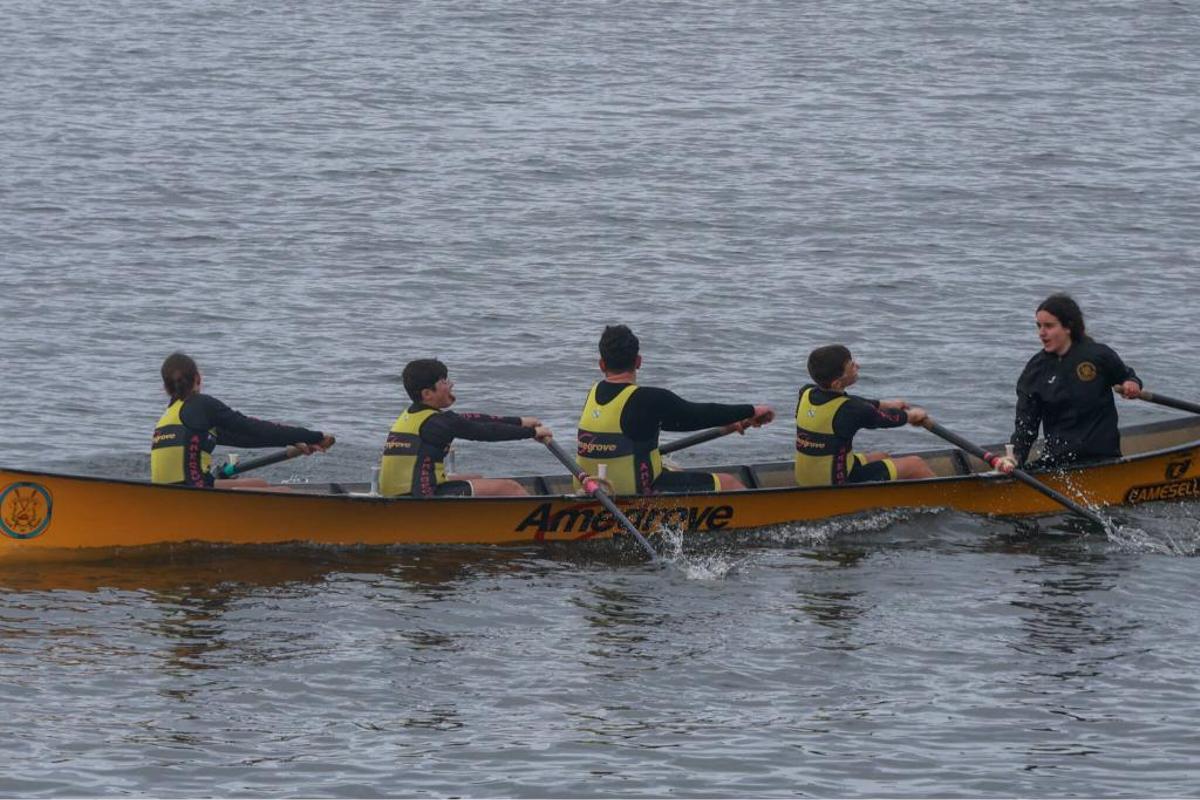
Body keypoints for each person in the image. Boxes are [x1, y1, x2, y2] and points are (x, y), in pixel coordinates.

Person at [576, 325, 774, 495]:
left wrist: (732, 423)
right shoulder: (650, 399)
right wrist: (751, 410)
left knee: (671, 468)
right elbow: (697, 415)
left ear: (601, 364)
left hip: (589, 488)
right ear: (638, 361)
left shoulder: (592, 393)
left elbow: (667, 422)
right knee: (729, 483)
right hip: (637, 491)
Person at [996, 294, 1142, 473]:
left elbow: (1126, 376)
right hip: (1058, 462)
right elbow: (1026, 426)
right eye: (1039, 326)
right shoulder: (1035, 370)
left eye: (1049, 326)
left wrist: (1131, 383)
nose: (1041, 333)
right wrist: (1015, 458)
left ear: (1068, 327)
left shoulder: (1098, 356)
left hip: (1101, 458)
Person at [152, 352, 334, 488]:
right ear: (198, 378)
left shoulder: (168, 416)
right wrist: (314, 436)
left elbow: (243, 438)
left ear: (165, 388)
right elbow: (252, 428)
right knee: (280, 489)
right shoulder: (202, 404)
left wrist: (293, 440)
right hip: (195, 491)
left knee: (259, 484)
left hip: (172, 491)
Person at [379, 359, 552, 497]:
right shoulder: (438, 422)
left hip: (400, 491)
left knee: (477, 478)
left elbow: (474, 419)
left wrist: (520, 421)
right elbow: (486, 432)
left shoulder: (412, 415)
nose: (451, 384)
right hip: (424, 496)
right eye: (444, 381)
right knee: (510, 488)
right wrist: (532, 432)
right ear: (427, 393)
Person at [794, 345, 934, 487]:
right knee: (916, 464)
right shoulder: (851, 409)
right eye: (852, 366)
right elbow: (887, 419)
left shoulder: (806, 392)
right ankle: (949, 500)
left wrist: (886, 404)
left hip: (809, 476)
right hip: (837, 483)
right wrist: (911, 416)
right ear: (837, 384)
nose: (858, 366)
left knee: (882, 456)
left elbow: (852, 403)